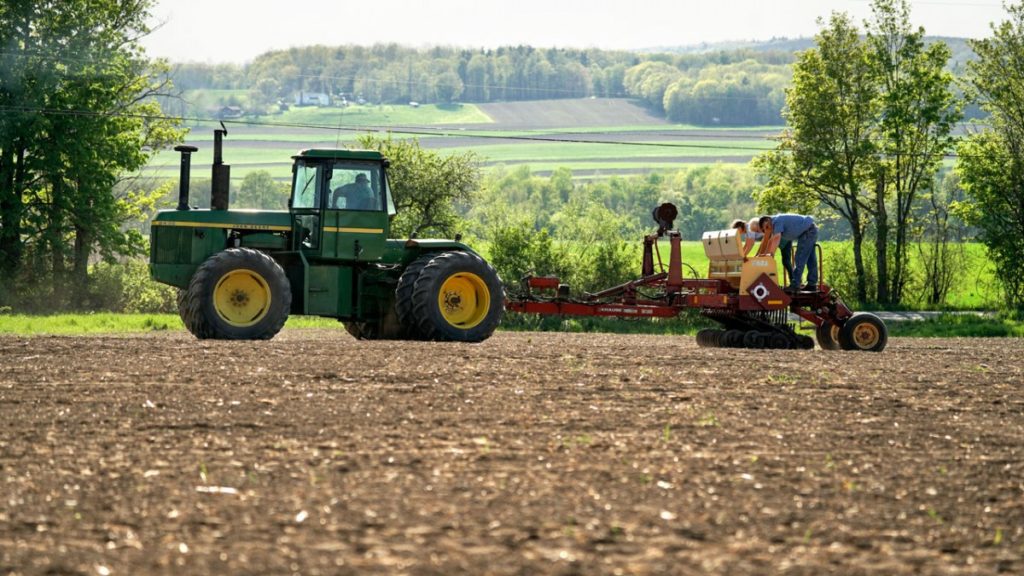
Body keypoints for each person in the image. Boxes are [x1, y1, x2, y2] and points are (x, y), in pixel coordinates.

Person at [749, 213, 818, 292]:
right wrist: (763, 255)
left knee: (800, 258)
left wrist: (770, 254)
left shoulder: (777, 221)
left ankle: (795, 285)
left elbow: (777, 238)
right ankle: (812, 284)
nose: (765, 231)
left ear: (766, 222)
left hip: (808, 231)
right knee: (810, 259)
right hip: (809, 229)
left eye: (766, 228)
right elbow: (770, 241)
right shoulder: (772, 224)